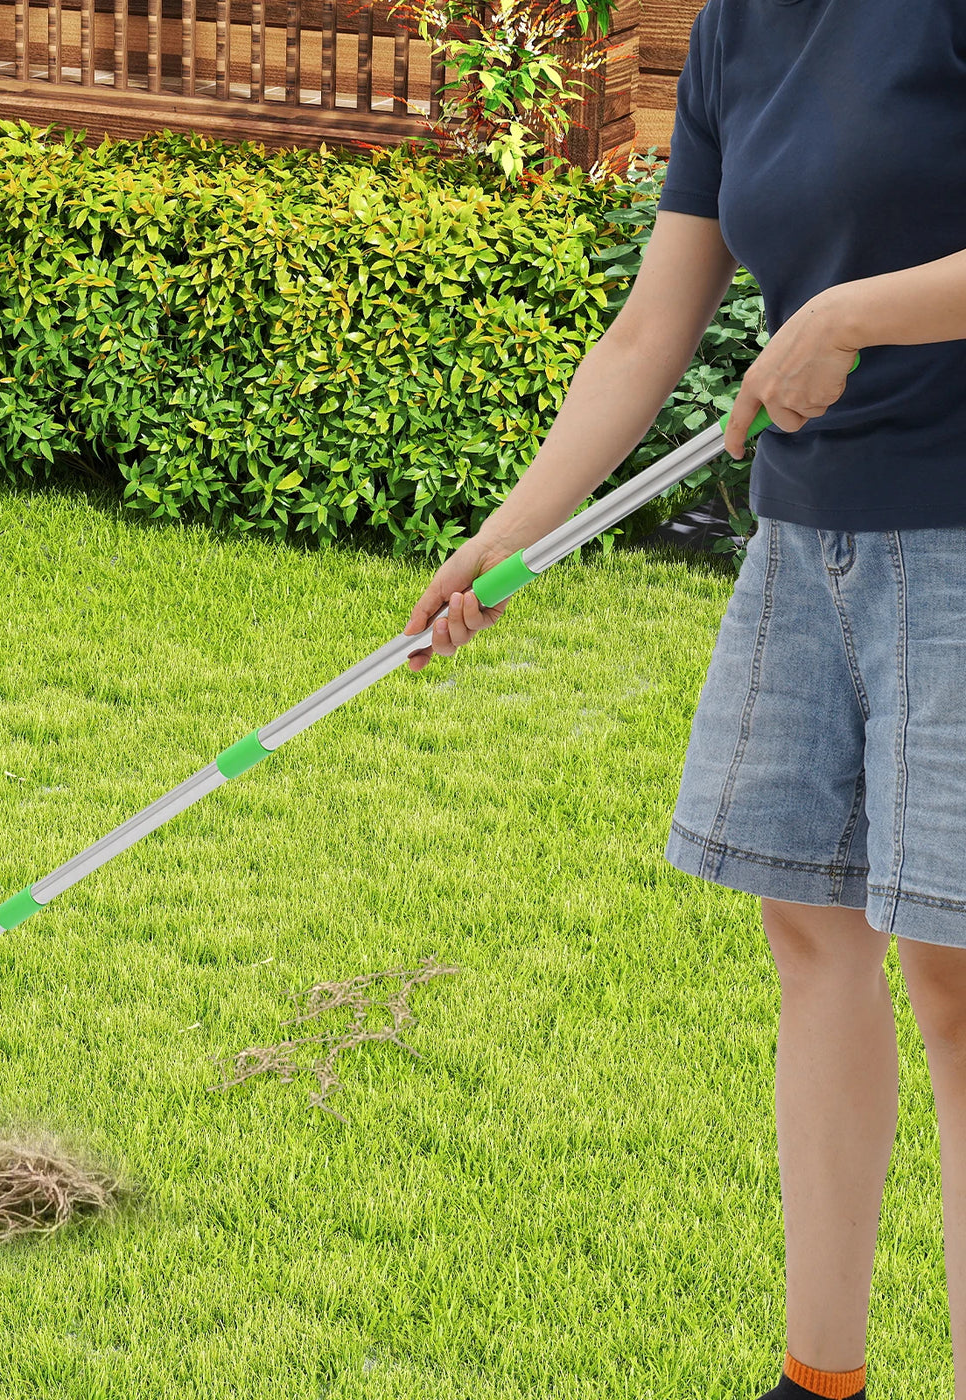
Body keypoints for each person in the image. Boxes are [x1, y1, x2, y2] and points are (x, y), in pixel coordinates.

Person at [402, 3, 966, 1397]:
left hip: (960, 540)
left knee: (957, 982)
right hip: (809, 537)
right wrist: (511, 534)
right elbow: (653, 325)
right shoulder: (734, 34)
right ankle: (819, 1377)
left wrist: (849, 313)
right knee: (810, 928)